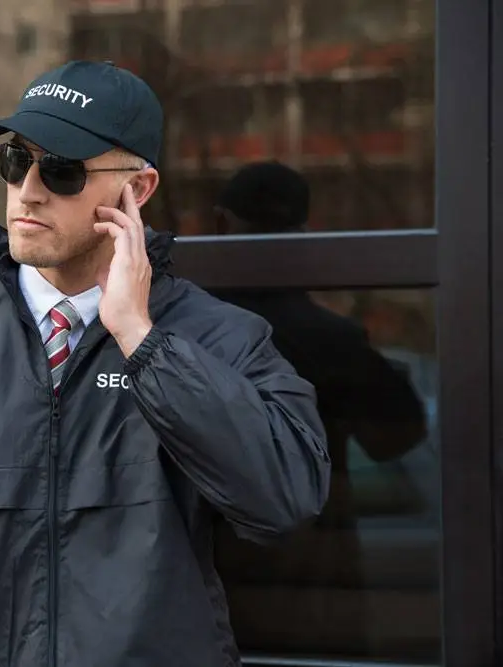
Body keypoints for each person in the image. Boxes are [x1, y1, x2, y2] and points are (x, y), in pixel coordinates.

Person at [0, 60, 331, 667]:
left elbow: (285, 499)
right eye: (15, 161)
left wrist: (141, 339)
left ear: (138, 190)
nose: (29, 190)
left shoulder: (217, 339)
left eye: (61, 170)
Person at [209, 161, 428, 655]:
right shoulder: (333, 340)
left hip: (210, 586)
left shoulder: (180, 333)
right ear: (303, 236)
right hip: (314, 589)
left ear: (221, 224)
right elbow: (399, 435)